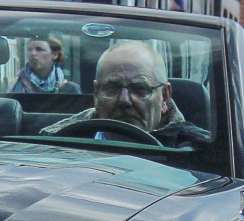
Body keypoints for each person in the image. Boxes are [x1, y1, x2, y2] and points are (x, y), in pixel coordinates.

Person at [44, 40, 213, 149]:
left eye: (140, 89)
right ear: (96, 94)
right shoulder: (56, 143)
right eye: (112, 88)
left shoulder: (196, 153)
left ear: (165, 97)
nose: (124, 101)